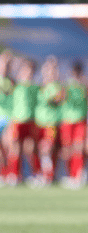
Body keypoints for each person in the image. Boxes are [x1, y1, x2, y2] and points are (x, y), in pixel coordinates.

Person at [5, 57, 40, 185]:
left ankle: (36, 174)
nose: (28, 72)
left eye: (30, 70)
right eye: (26, 69)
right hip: (17, 120)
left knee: (31, 148)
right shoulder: (15, 84)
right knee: (15, 148)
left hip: (31, 121)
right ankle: (14, 174)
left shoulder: (36, 87)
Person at [59, 61, 88, 189]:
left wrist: (85, 85)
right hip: (67, 120)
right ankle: (71, 175)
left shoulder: (85, 84)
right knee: (67, 150)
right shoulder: (66, 85)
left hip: (80, 120)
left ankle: (78, 175)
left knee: (78, 147)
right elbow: (60, 98)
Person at [34, 56, 64, 186]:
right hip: (38, 122)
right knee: (35, 149)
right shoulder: (39, 86)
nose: (49, 72)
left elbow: (58, 100)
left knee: (46, 149)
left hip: (50, 123)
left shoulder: (57, 87)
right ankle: (41, 174)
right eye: (47, 69)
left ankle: (47, 176)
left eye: (52, 69)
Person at [0, 50, 15, 183]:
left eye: (7, 63)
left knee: (8, 147)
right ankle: (3, 173)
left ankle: (10, 174)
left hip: (8, 118)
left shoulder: (13, 81)